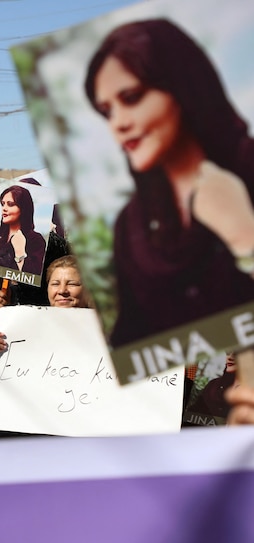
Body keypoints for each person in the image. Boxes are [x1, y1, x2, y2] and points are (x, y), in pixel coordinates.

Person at [84, 18, 254, 347]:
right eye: (107, 111)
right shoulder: (131, 227)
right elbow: (131, 341)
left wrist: (245, 237)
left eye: (131, 97)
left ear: (182, 86)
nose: (118, 123)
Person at [0, 184, 46, 276]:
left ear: (23, 208)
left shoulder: (36, 239)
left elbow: (34, 277)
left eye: (10, 204)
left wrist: (20, 252)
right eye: (3, 204)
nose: (4, 208)